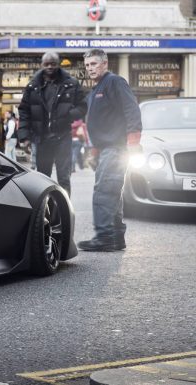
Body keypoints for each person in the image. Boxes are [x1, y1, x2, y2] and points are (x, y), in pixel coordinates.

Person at [78, 48, 142, 252]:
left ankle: (105, 237)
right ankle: (116, 237)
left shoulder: (115, 82)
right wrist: (94, 152)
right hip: (105, 149)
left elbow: (131, 110)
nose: (90, 68)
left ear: (105, 63)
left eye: (94, 64)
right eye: (87, 65)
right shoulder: (95, 90)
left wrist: (133, 142)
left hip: (116, 148)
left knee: (104, 191)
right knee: (112, 192)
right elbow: (99, 124)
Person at [18, 51, 87, 195]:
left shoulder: (71, 83)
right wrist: (24, 135)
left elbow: (83, 106)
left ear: (59, 64)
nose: (50, 67)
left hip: (63, 137)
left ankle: (66, 210)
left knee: (64, 178)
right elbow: (24, 111)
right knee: (43, 178)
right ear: (41, 65)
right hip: (41, 138)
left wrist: (69, 116)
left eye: (53, 64)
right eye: (46, 64)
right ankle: (45, 209)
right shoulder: (32, 86)